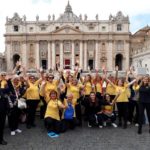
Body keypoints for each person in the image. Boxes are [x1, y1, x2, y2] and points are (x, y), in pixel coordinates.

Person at [0, 72, 8, 145]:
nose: (3, 76)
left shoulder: (4, 87)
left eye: (4, 75)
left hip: (2, 109)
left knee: (1, 124)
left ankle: (1, 139)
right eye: (2, 75)